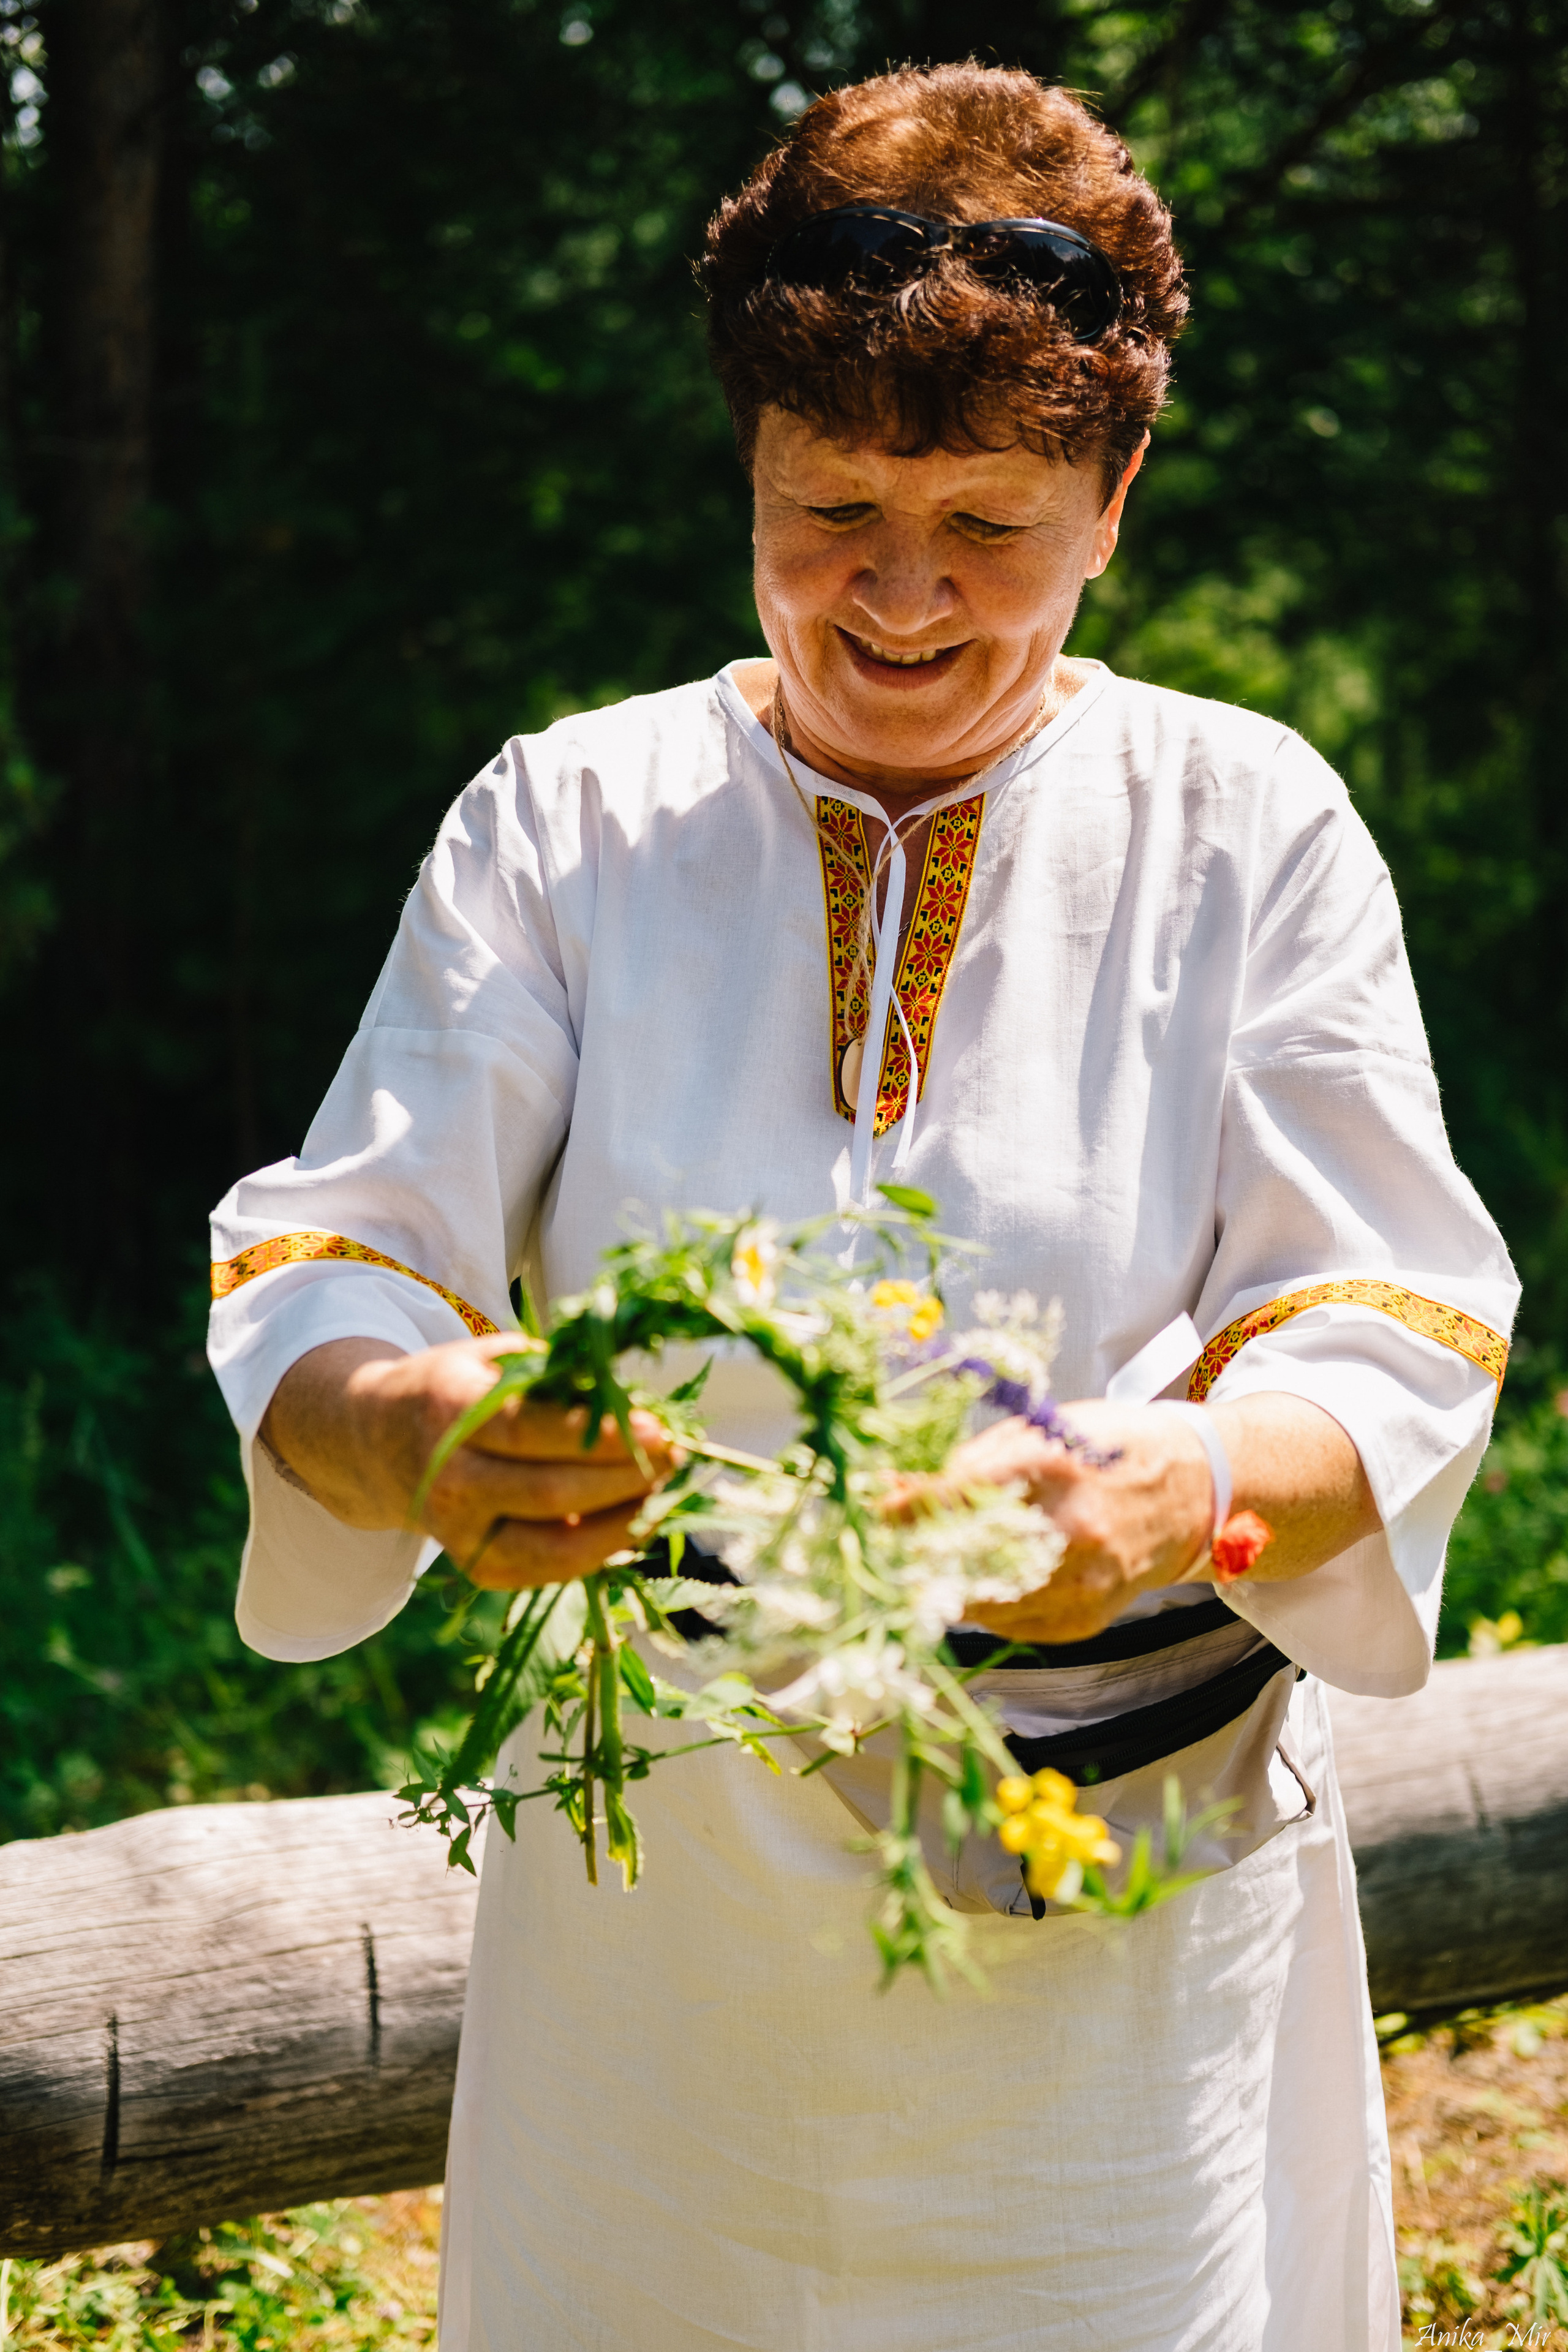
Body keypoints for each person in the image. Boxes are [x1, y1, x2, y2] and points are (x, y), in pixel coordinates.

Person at [208, 62, 1517, 2351]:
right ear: (749, 472)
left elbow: (1390, 1314)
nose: (899, 598)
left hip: (1113, 1930)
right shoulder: (572, 820)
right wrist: (413, 1423)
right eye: (832, 509)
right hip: (659, 1934)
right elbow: (342, 1249)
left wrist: (1188, 1486)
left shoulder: (1249, 826)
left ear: (1114, 495)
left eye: (990, 524)